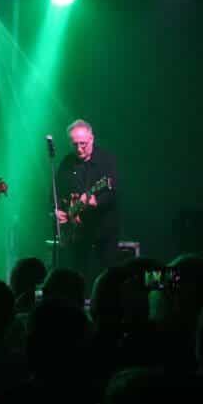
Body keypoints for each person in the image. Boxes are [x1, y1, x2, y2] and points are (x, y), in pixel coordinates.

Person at [54, 119, 119, 287]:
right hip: (77, 234)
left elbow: (116, 191)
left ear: (91, 139)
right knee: (76, 278)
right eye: (75, 144)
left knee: (107, 279)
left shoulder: (107, 160)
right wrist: (58, 210)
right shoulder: (67, 163)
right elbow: (55, 191)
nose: (79, 148)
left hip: (103, 232)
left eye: (83, 144)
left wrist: (96, 201)